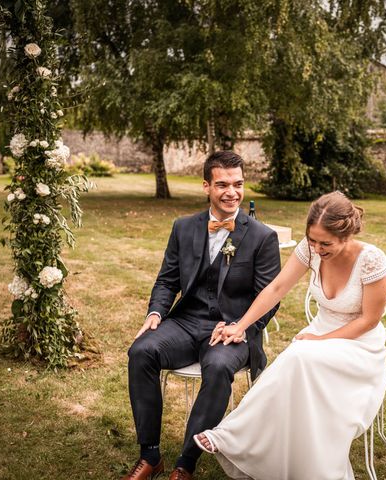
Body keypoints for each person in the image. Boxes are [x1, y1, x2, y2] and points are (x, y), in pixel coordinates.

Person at [194, 191, 386, 480]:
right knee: (298, 359)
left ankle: (230, 435)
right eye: (312, 240)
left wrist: (321, 341)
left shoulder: (372, 260)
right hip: (317, 336)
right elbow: (275, 289)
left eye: (326, 243)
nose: (317, 249)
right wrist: (240, 325)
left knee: (298, 355)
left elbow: (370, 320)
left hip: (359, 347)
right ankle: (240, 440)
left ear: (346, 236)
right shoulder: (309, 249)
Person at [122, 151, 281, 480]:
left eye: (238, 184)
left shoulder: (263, 236)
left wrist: (240, 326)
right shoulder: (183, 227)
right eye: (222, 184)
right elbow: (168, 280)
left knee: (219, 364)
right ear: (206, 186)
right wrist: (155, 312)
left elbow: (269, 298)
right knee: (141, 351)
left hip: (233, 329)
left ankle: (185, 463)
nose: (232, 192)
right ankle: (150, 456)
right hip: (186, 321)